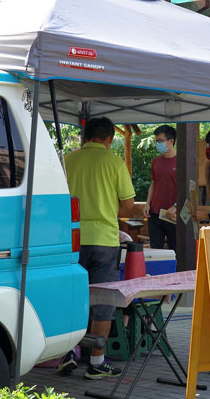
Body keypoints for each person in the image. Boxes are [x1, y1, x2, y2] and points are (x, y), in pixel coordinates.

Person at [58, 117, 136, 379]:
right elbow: (127, 206)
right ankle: (96, 362)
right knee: (102, 300)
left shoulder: (68, 160)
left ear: (84, 136)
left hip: (71, 239)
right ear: (110, 139)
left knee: (71, 297)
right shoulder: (114, 163)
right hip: (104, 239)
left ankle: (66, 353)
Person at [142, 125, 178, 250]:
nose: (158, 144)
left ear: (171, 141)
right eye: (156, 141)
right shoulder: (156, 161)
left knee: (176, 251)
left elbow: (189, 189)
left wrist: (176, 206)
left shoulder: (182, 161)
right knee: (156, 251)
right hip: (154, 214)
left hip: (173, 216)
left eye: (160, 141)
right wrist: (147, 204)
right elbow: (153, 183)